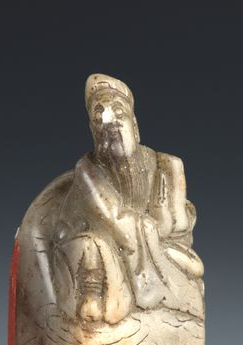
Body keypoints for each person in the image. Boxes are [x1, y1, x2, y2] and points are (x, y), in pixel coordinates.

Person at [52, 74, 204, 324]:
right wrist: (154, 224)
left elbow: (179, 230)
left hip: (158, 247)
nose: (109, 122)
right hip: (94, 245)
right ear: (93, 130)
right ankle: (124, 297)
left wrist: (161, 216)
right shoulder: (88, 170)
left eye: (118, 112)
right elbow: (115, 222)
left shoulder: (168, 166)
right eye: (99, 117)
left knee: (195, 267)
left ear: (134, 123)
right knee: (95, 247)